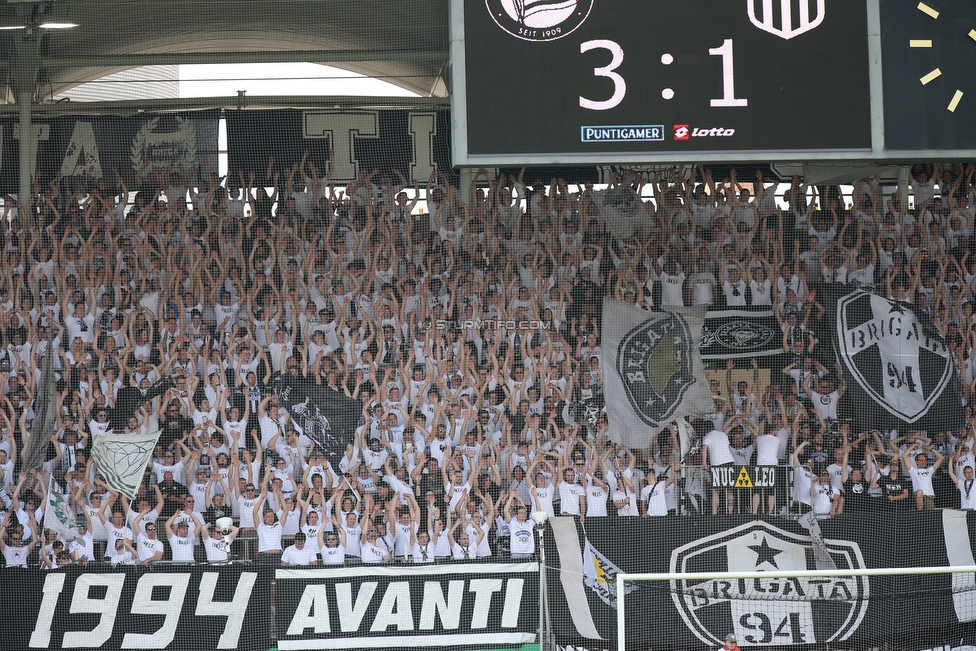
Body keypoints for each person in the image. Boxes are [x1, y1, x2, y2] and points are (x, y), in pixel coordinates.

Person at [902, 441, 944, 510]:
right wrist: (914, 446)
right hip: (918, 496)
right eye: (921, 459)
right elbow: (904, 456)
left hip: (929, 497)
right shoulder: (913, 471)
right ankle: (919, 513)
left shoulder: (929, 470)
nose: (923, 461)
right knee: (919, 492)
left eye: (924, 459)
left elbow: (941, 458)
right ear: (916, 461)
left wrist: (930, 449)